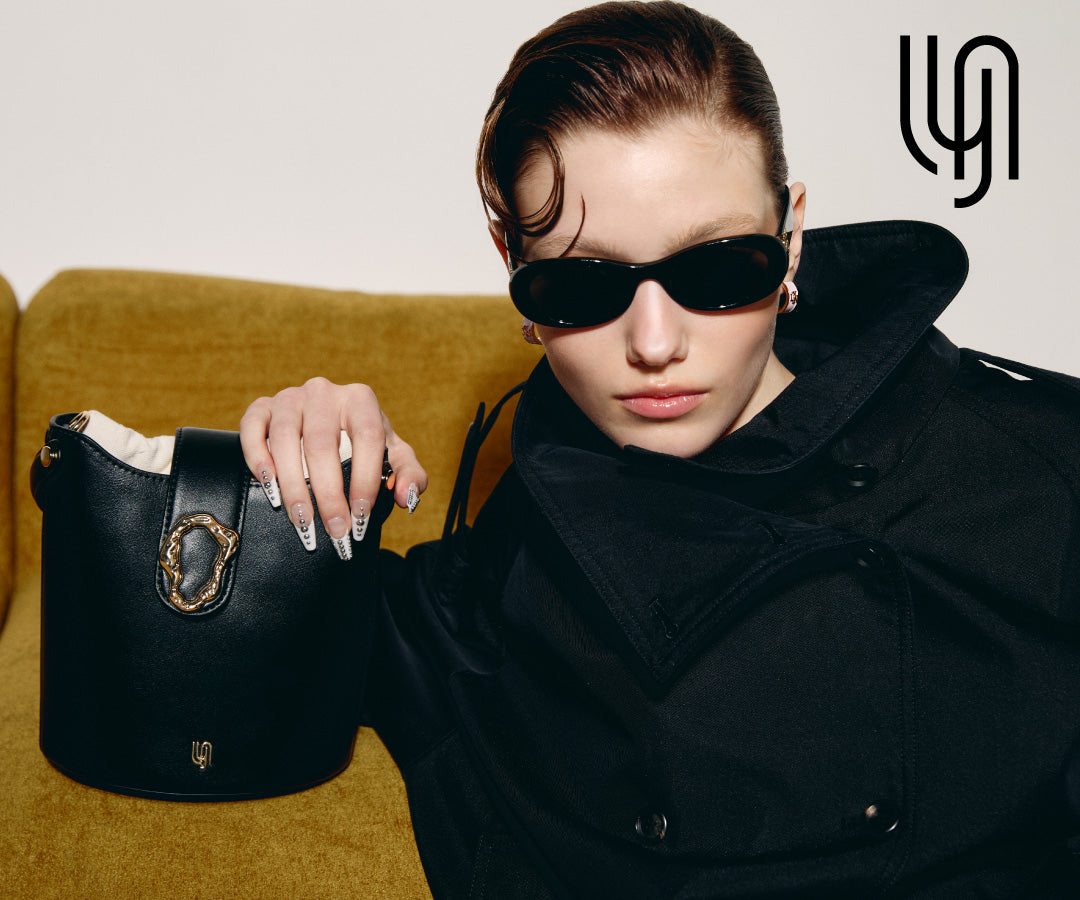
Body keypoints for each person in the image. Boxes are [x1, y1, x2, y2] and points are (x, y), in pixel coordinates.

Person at [239, 2, 1080, 896]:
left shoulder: (1031, 473)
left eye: (716, 269)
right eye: (579, 284)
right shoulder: (535, 519)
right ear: (510, 261)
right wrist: (303, 447)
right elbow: (286, 657)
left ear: (791, 235)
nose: (653, 344)